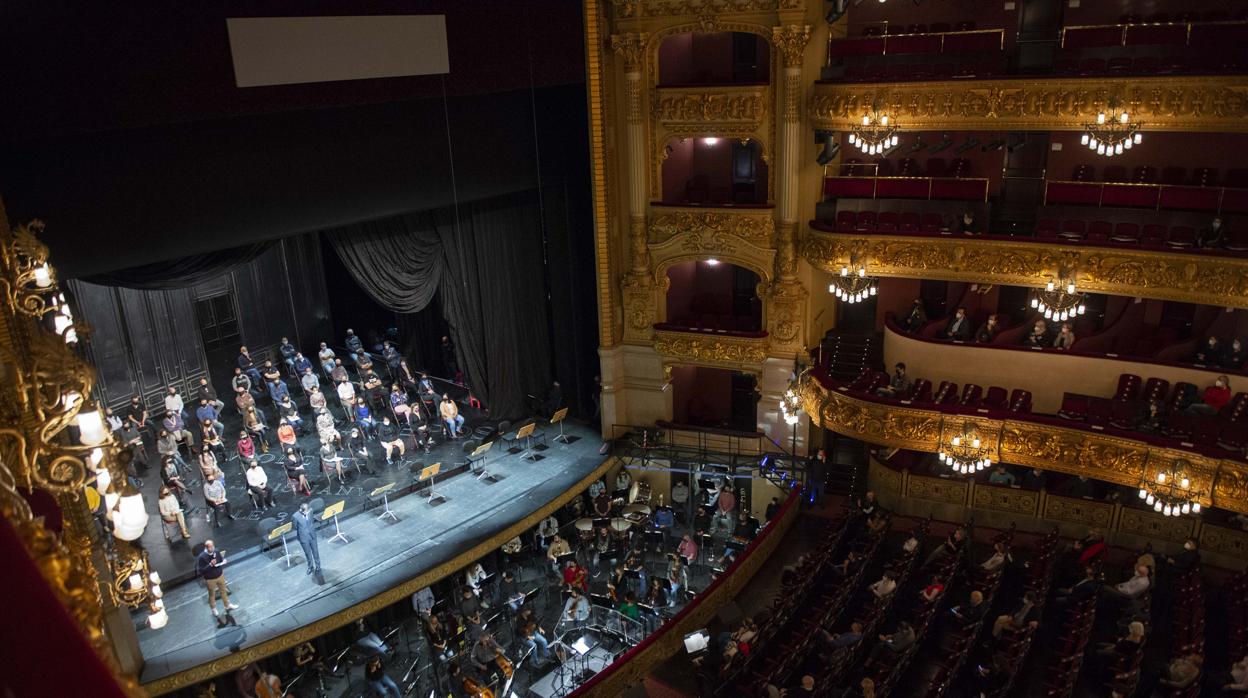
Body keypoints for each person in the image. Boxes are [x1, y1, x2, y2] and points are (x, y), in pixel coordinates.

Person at [196, 539, 239, 619]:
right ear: (206, 547)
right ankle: (213, 609)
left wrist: (224, 561)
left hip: (220, 575)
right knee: (212, 595)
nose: (212, 548)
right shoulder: (202, 557)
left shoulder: (216, 551)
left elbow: (220, 560)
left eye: (213, 546)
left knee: (223, 591)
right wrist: (210, 565)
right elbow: (201, 571)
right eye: (210, 547)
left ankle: (227, 605)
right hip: (210, 579)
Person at [293, 502, 322, 576]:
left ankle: (318, 566)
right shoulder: (295, 516)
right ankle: (310, 567)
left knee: (315, 551)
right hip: (304, 537)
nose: (308, 512)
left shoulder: (310, 510)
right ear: (302, 510)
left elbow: (311, 520)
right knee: (308, 553)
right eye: (307, 511)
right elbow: (295, 527)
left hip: (312, 535)